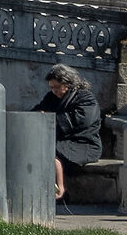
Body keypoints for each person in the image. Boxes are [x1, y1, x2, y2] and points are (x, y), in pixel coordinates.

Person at [33, 63, 102, 200]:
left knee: (52, 153)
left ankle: (60, 190)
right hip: (61, 140)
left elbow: (80, 121)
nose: (54, 91)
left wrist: (48, 119)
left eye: (57, 87)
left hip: (83, 144)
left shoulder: (86, 99)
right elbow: (37, 110)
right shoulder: (51, 98)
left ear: (68, 83)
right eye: (52, 88)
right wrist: (37, 115)